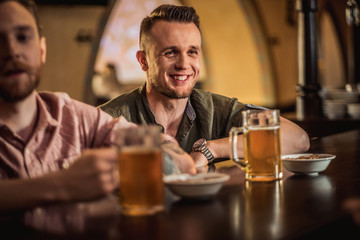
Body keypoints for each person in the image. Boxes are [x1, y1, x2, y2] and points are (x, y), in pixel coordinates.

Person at [0, 0, 195, 212]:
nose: (12, 51)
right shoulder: (117, 106)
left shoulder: (75, 117)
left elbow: (179, 161)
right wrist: (63, 184)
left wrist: (141, 160)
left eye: (23, 37)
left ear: (42, 50)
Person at [99, 4, 310, 167]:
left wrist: (212, 149)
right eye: (170, 52)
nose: (184, 64)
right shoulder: (110, 118)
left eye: (192, 52)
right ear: (143, 61)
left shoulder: (215, 109)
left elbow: (297, 139)